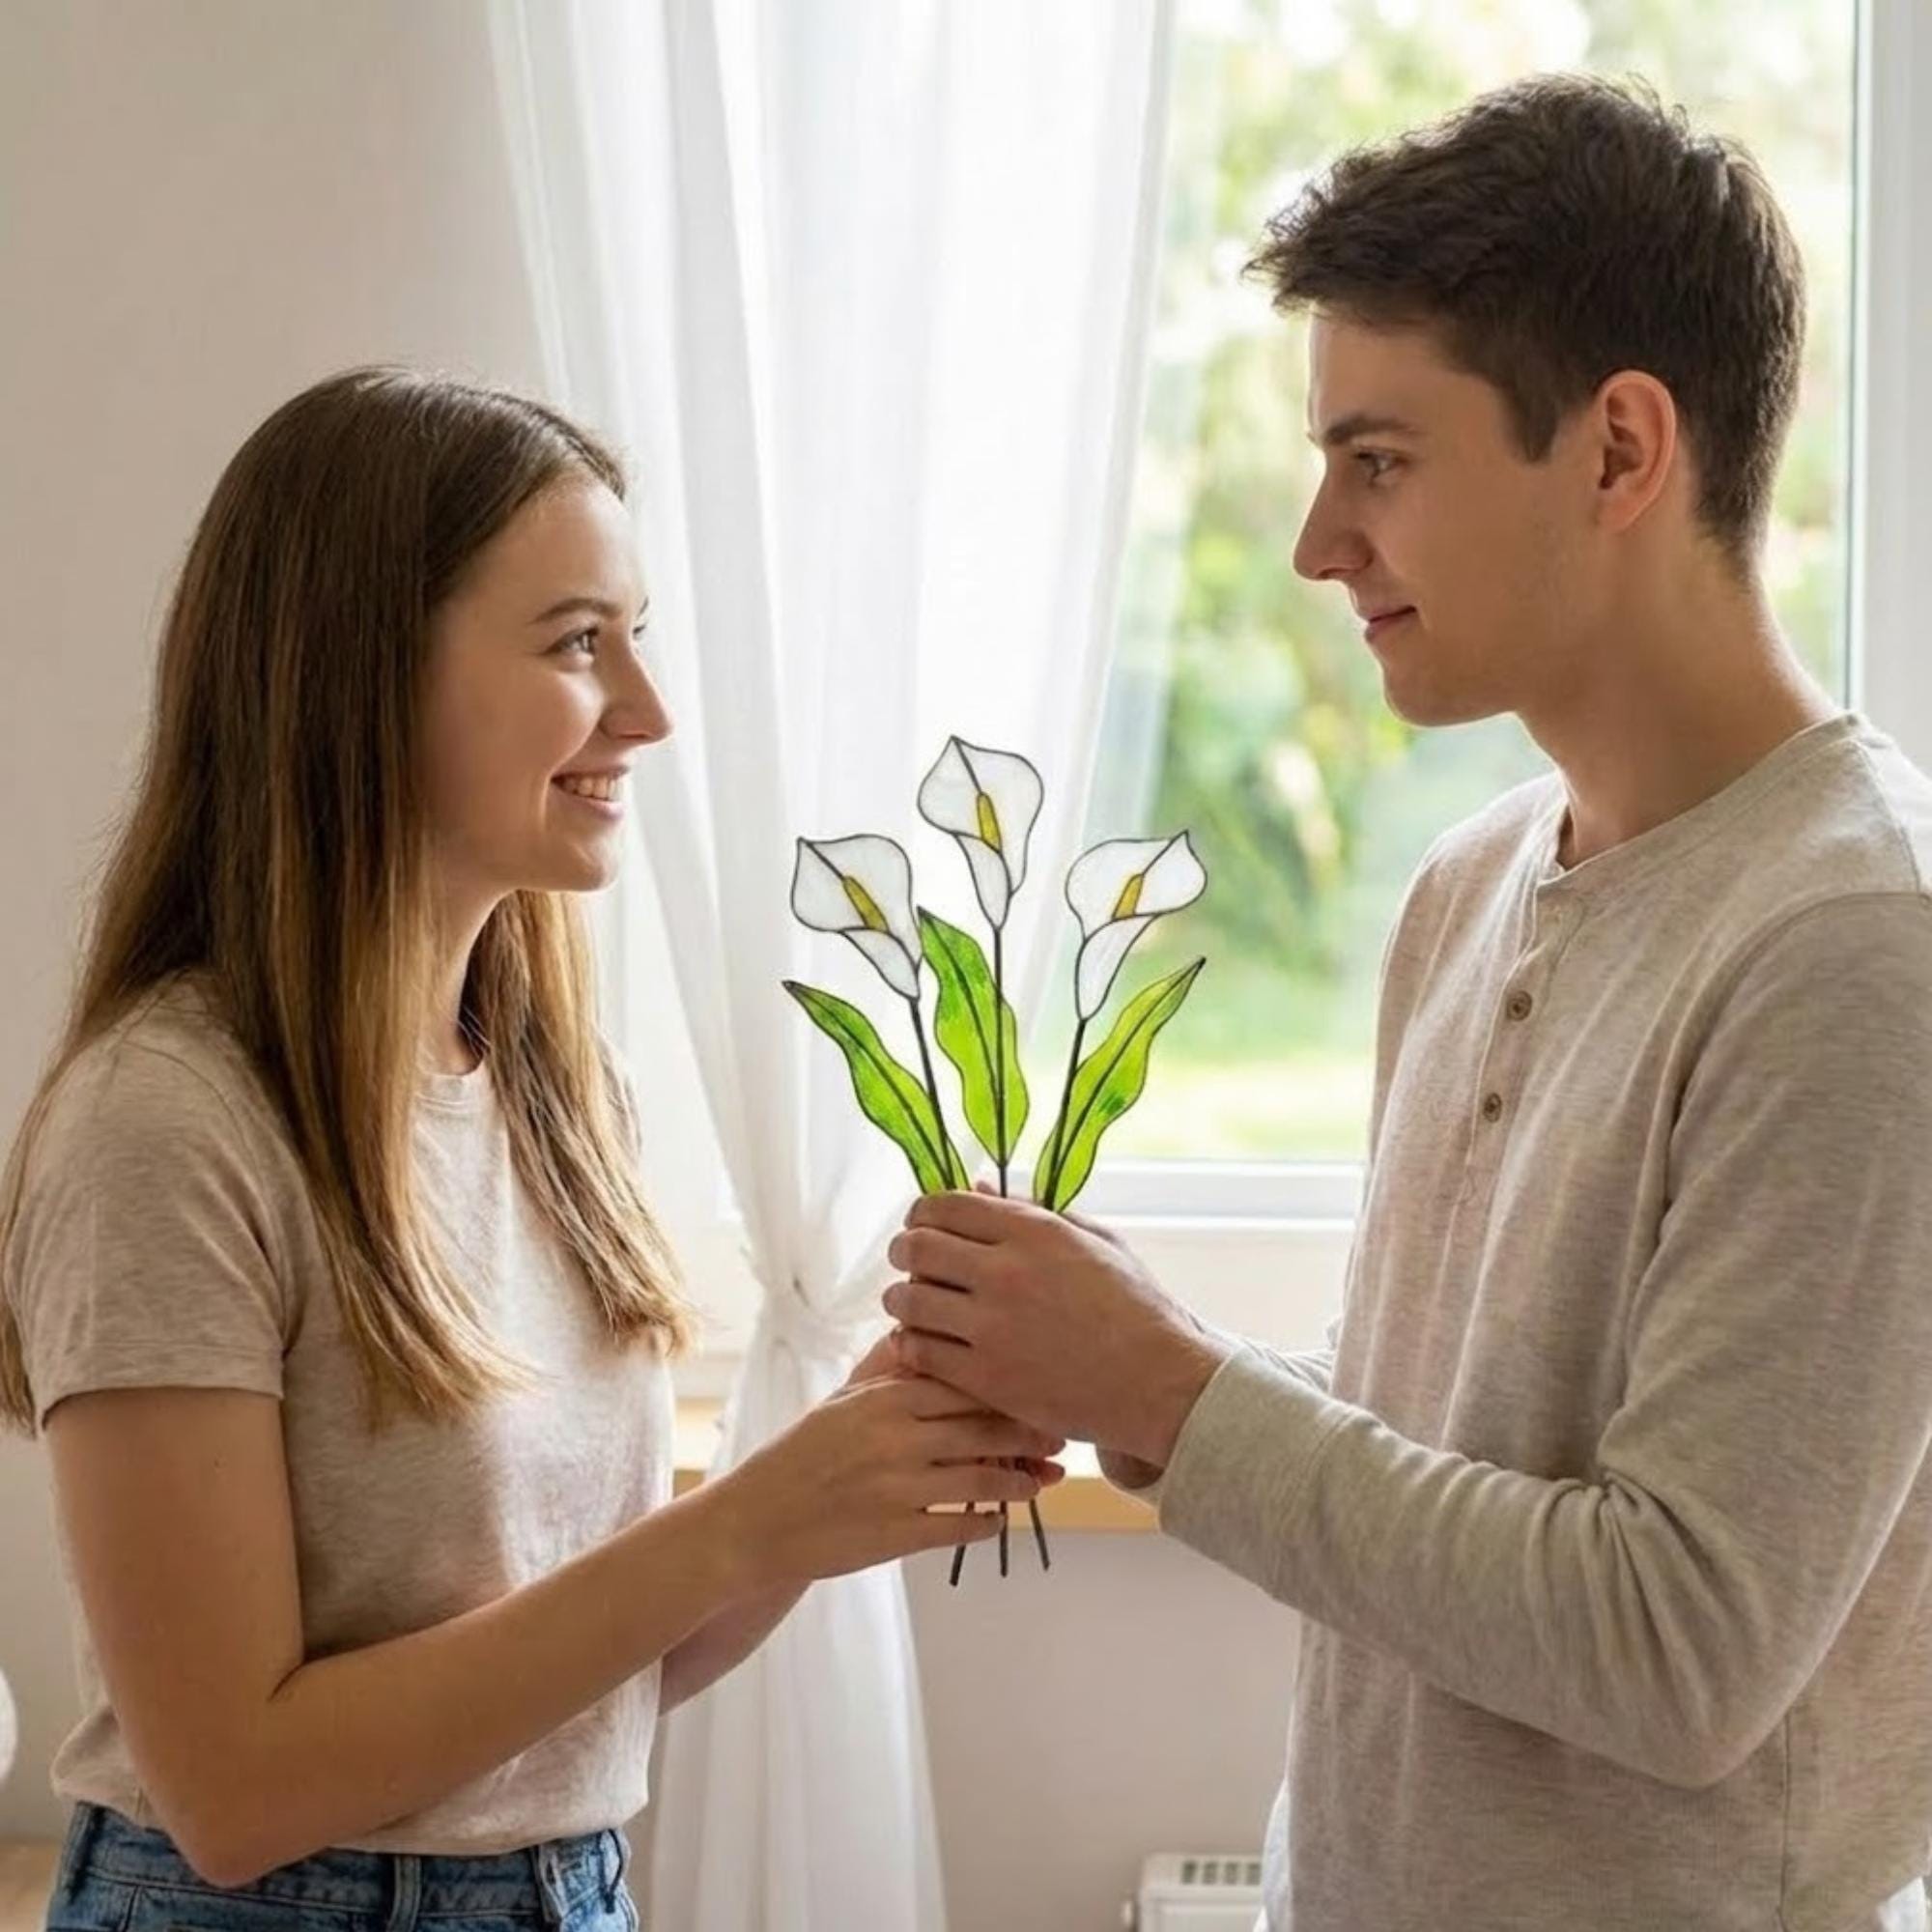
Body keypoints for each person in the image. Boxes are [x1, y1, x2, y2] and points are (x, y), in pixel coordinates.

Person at [880, 74, 1932, 1932]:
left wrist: (1177, 1389)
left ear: (1619, 452)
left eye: (1380, 460)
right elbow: (1455, 1480)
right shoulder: (1467, 889)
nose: (1313, 542)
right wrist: (1128, 1377)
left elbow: (1677, 1645)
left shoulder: (1856, 944)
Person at [0, 366, 1062, 1929]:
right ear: (362, 675)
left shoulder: (565, 1102)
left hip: (570, 1894)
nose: (646, 711)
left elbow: (584, 1684)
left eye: (638, 638)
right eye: (579, 643)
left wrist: (838, 1480)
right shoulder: (169, 1124)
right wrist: (745, 1521)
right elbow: (234, 1790)